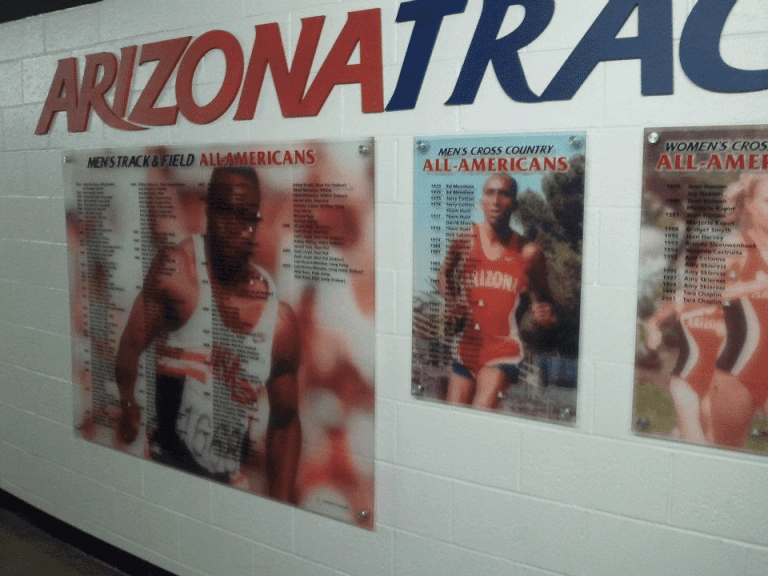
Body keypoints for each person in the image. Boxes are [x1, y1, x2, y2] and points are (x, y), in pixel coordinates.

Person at [114, 166, 301, 503]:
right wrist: (127, 402)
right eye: (225, 212)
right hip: (164, 475)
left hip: (227, 486)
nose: (236, 227)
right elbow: (130, 345)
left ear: (257, 221)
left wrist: (283, 504)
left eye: (246, 216)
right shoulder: (177, 272)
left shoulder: (280, 321)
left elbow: (286, 421)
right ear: (208, 211)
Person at [439, 172, 554, 409]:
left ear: (515, 203)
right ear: (481, 200)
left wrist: (544, 315)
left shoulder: (529, 252)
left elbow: (546, 302)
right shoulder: (464, 239)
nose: (495, 201)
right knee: (453, 418)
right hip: (466, 346)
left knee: (481, 413)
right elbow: (444, 273)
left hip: (504, 348)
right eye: (489, 193)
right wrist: (451, 300)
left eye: (504, 194)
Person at [709, 174, 768, 448]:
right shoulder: (736, 245)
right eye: (767, 201)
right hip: (738, 370)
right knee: (725, 456)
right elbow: (703, 295)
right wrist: (748, 287)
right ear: (748, 206)